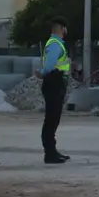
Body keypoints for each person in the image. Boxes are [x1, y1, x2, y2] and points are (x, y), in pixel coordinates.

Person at [36, 16, 71, 164]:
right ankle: (49, 153)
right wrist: (43, 72)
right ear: (62, 29)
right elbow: (50, 65)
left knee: (53, 119)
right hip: (53, 82)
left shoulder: (55, 43)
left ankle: (52, 150)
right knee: (51, 119)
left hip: (55, 83)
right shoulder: (56, 44)